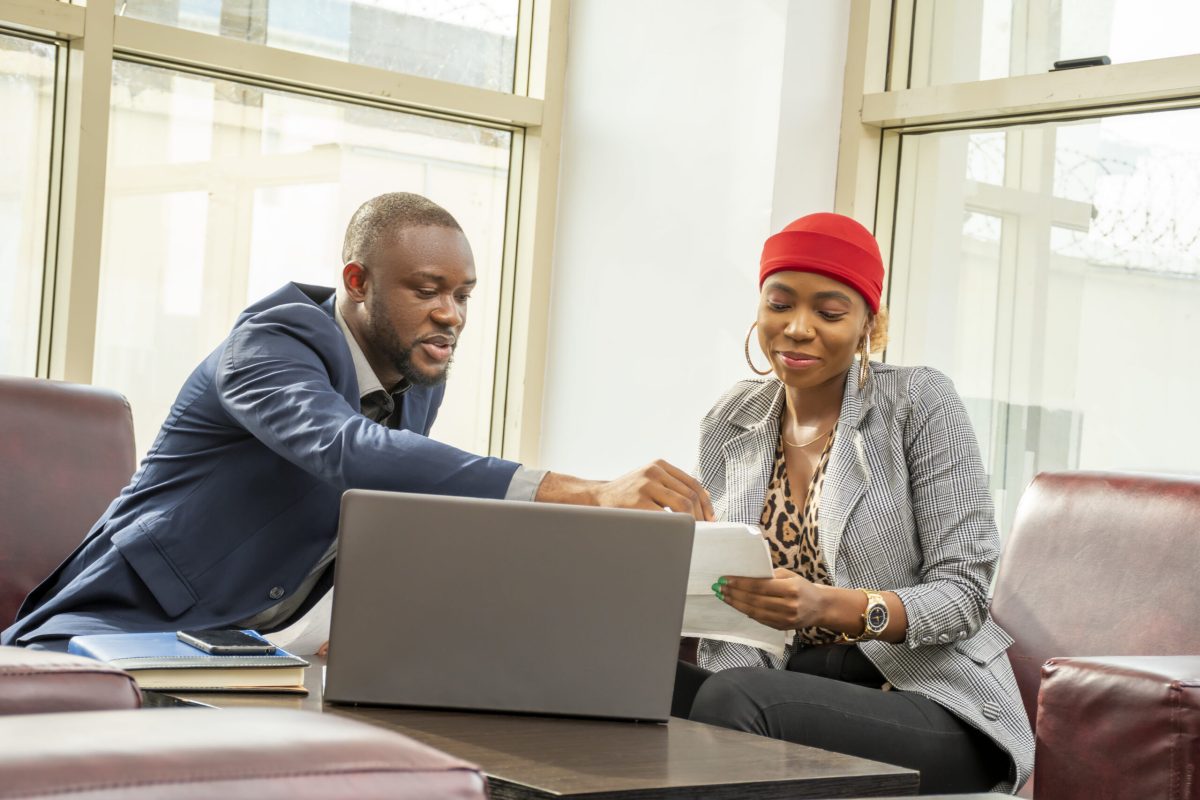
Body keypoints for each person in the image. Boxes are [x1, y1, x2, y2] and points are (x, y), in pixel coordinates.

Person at [2, 192, 712, 651]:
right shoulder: (268, 345)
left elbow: (383, 511)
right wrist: (585, 490)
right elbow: (350, 453)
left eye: (463, 294)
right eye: (427, 290)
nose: (451, 315)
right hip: (117, 627)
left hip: (246, 642)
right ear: (357, 283)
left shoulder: (413, 370)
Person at [672, 212, 1032, 794]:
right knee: (627, 685)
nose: (797, 328)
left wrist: (829, 606)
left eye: (830, 312)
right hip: (781, 683)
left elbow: (964, 594)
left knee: (737, 701)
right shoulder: (732, 418)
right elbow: (725, 590)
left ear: (870, 324)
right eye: (780, 304)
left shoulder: (917, 402)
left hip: (926, 698)